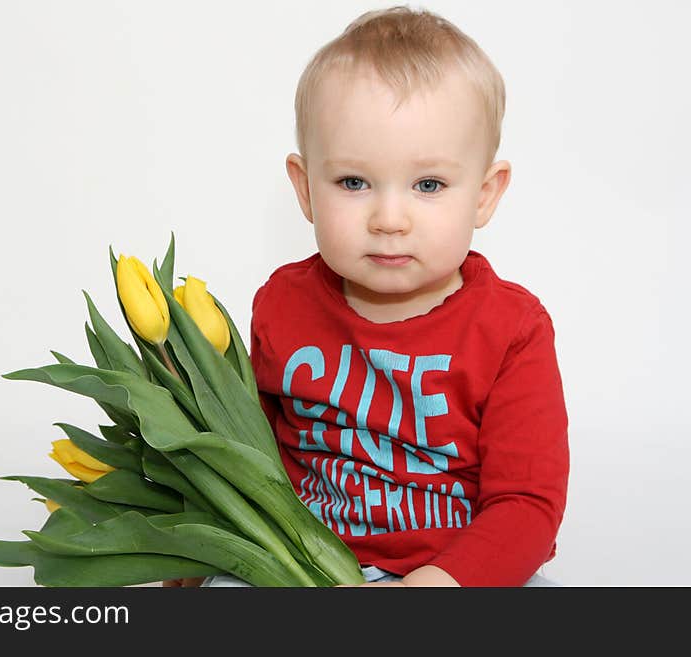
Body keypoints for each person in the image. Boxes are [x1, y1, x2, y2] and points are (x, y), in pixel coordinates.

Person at [168, 4, 570, 588]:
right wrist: (204, 535)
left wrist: (444, 581)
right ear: (305, 189)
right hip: (301, 565)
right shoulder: (283, 304)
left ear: (485, 194)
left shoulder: (512, 329)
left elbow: (528, 504)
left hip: (457, 571)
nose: (388, 218)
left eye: (428, 185)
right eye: (353, 183)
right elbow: (248, 452)